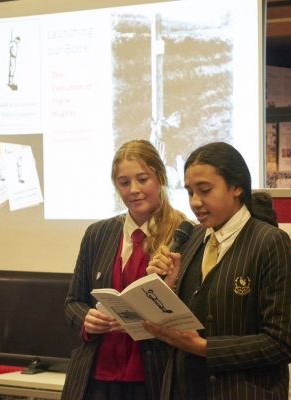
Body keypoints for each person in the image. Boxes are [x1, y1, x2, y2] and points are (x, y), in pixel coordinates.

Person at [143, 142, 291, 399]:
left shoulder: (270, 242)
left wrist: (205, 348)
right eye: (189, 192)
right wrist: (167, 286)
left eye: (205, 190)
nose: (195, 202)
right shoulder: (192, 238)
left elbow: (281, 345)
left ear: (237, 187)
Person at [62, 140, 188, 400]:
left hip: (154, 377)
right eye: (124, 183)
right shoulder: (98, 234)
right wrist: (87, 320)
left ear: (161, 178)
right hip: (97, 377)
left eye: (143, 179)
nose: (134, 190)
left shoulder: (185, 234)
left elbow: (192, 311)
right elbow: (73, 302)